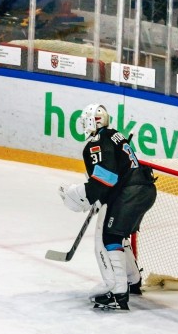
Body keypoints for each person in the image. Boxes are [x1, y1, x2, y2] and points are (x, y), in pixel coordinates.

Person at [58, 103, 157, 311]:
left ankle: (118, 293)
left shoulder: (97, 143)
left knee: (109, 238)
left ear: (92, 122)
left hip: (129, 193)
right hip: (144, 190)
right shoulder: (114, 135)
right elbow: (113, 174)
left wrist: (82, 195)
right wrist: (98, 195)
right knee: (118, 236)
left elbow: (107, 178)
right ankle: (132, 280)